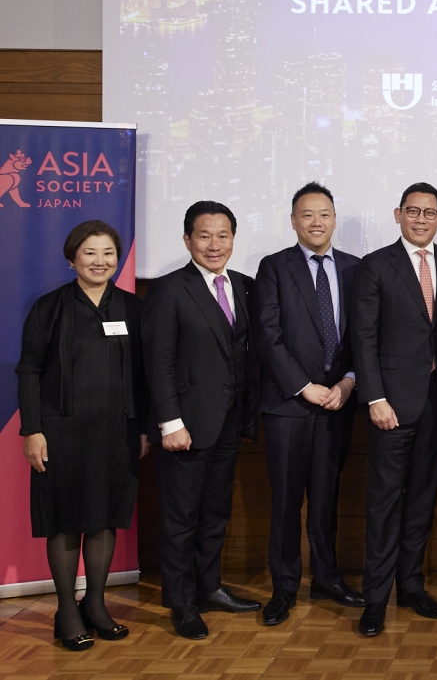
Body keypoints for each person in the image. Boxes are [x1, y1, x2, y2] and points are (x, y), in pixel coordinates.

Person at [17, 220, 149, 651]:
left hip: (117, 431)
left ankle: (95, 603)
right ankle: (66, 610)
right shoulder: (50, 307)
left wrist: (144, 426)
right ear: (72, 257)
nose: (100, 261)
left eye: (108, 253)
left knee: (104, 516)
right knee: (64, 519)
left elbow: (146, 375)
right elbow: (30, 371)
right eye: (90, 253)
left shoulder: (132, 307)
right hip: (60, 431)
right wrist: (32, 429)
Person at [351, 182, 437, 637]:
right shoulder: (376, 265)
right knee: (383, 503)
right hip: (391, 406)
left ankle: (411, 586)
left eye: (430, 212)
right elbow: (363, 337)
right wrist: (375, 398)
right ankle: (375, 598)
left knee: (422, 499)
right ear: (398, 214)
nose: (421, 219)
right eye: (413, 211)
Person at [142, 201, 261, 640]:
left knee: (215, 513)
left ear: (233, 238)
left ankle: (209, 587)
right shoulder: (170, 290)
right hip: (185, 427)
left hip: (228, 424)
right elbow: (159, 363)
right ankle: (181, 601)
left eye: (223, 235)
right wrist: (170, 423)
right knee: (180, 518)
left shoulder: (244, 287)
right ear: (188, 239)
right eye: (205, 236)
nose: (215, 245)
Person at [252, 182, 364, 627]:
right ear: (293, 220)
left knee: (326, 498)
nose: (316, 222)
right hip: (288, 406)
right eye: (307, 215)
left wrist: (350, 382)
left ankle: (327, 578)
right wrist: (303, 386)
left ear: (334, 219)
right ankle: (284, 586)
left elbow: (363, 336)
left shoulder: (357, 269)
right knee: (285, 501)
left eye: (324, 214)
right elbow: (267, 336)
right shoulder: (274, 267)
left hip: (338, 402)